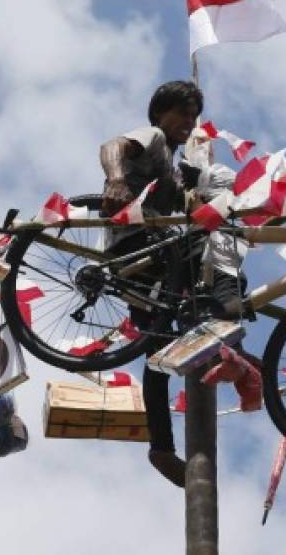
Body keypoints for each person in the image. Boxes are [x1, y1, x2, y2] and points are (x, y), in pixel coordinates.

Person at [99, 80, 203, 488]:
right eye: (183, 112)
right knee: (204, 255)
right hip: (138, 249)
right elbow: (112, 146)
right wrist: (115, 179)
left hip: (155, 266)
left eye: (194, 117)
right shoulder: (155, 138)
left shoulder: (177, 169)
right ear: (161, 113)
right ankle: (231, 344)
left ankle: (160, 448)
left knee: (157, 355)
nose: (189, 122)